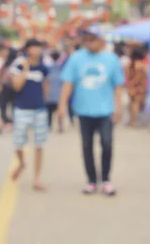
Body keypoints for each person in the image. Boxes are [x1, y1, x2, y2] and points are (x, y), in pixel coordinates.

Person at [57, 27, 124, 196]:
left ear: (101, 40)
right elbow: (68, 83)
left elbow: (117, 86)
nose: (89, 43)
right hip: (84, 110)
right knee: (87, 147)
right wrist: (62, 106)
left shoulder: (111, 59)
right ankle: (91, 181)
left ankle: (106, 180)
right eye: (86, 40)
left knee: (107, 144)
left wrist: (119, 107)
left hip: (105, 111)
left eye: (92, 39)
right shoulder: (76, 58)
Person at [9, 39, 50, 191]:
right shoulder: (19, 64)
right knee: (18, 144)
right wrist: (25, 70)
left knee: (39, 145)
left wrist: (45, 103)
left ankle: (37, 178)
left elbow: (46, 85)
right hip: (22, 109)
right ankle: (21, 163)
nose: (36, 50)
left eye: (38, 47)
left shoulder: (43, 67)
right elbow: (17, 86)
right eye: (33, 47)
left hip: (39, 110)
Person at [125, 49, 148, 127]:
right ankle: (134, 121)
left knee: (132, 103)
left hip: (131, 87)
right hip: (139, 87)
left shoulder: (129, 64)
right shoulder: (141, 65)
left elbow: (126, 75)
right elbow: (141, 77)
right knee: (136, 103)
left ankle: (132, 120)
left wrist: (129, 84)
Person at [45, 50, 65, 132]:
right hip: (59, 94)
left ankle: (49, 126)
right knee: (59, 111)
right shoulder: (61, 68)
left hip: (50, 94)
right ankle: (60, 125)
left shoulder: (48, 68)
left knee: (49, 112)